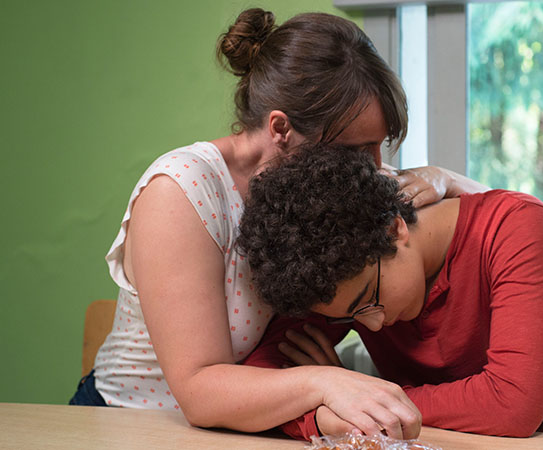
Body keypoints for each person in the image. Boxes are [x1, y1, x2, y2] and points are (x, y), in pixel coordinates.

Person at [68, 8, 487, 440]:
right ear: (281, 128)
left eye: (379, 146)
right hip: (133, 423)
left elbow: (509, 219)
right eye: (358, 149)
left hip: (254, 428)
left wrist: (445, 178)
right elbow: (197, 390)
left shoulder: (339, 179)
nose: (377, 167)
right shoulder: (181, 192)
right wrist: (328, 382)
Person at [237, 145, 543, 440]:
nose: (373, 326)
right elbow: (257, 383)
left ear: (395, 229)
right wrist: (325, 412)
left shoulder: (517, 225)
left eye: (367, 301)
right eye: (352, 317)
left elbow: (513, 405)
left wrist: (366, 403)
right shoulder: (336, 269)